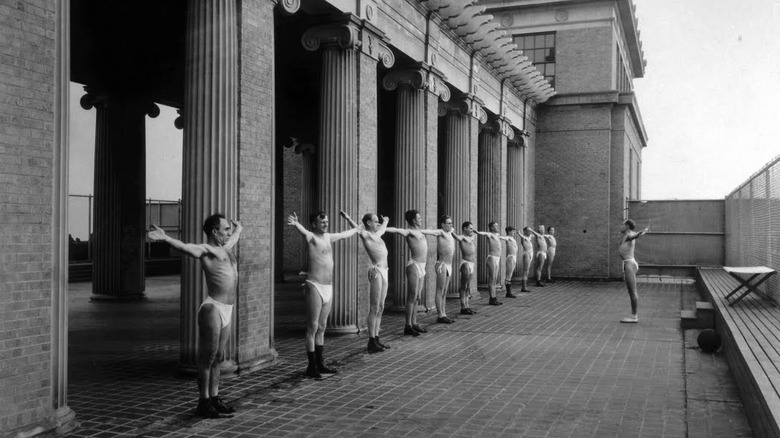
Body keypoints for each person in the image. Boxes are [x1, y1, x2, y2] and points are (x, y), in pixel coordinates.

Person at [148, 214, 242, 418]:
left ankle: (215, 398)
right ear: (214, 232)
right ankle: (204, 401)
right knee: (207, 358)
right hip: (213, 309)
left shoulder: (225, 248)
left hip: (228, 308)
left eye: (228, 229)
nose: (228, 232)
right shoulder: (206, 250)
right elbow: (185, 247)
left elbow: (234, 238)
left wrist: (239, 229)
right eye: (225, 229)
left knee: (218, 357)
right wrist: (166, 238)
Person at [287, 211, 359, 377]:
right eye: (322, 222)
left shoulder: (327, 237)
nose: (326, 224)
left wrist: (356, 229)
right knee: (312, 326)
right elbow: (303, 231)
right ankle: (311, 366)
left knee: (322, 326)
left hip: (328, 287)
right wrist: (297, 224)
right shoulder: (312, 237)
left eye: (326, 222)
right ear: (314, 224)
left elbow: (343, 234)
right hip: (315, 286)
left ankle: (320, 362)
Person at [340, 211, 392, 353]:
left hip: (385, 271)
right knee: (374, 306)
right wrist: (348, 218)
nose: (378, 224)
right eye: (376, 221)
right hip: (377, 271)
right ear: (369, 223)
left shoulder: (377, 234)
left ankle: (376, 337)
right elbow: (357, 228)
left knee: (381, 306)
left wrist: (386, 220)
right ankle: (371, 341)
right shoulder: (366, 235)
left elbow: (382, 228)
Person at [385, 209, 430, 337]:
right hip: (414, 265)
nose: (421, 219)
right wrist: (383, 227)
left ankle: (414, 323)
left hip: (423, 266)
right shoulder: (409, 231)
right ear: (413, 220)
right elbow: (395, 230)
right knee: (412, 295)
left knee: (417, 297)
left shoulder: (420, 231)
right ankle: (407, 326)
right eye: (419, 218)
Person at [424, 215, 469, 324]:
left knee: (444, 291)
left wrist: (452, 229)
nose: (450, 225)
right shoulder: (441, 232)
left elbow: (452, 230)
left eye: (451, 223)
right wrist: (417, 231)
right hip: (442, 264)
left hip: (449, 265)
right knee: (440, 290)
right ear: (443, 224)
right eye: (448, 223)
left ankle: (444, 313)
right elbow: (430, 231)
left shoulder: (450, 232)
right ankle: (440, 315)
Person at [618, 219, 649, 323]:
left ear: (627, 226)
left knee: (632, 291)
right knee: (631, 291)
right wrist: (640, 233)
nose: (621, 226)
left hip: (630, 264)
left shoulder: (629, 234)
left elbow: (634, 236)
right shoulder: (627, 234)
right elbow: (634, 235)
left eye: (622, 224)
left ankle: (634, 317)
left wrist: (640, 233)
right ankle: (633, 315)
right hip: (628, 263)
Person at [476, 221, 510, 306]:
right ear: (491, 227)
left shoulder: (497, 235)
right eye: (495, 226)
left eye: (497, 226)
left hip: (497, 258)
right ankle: (491, 298)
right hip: (492, 258)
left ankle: (494, 297)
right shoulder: (489, 234)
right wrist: (476, 232)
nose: (497, 227)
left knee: (495, 279)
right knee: (491, 279)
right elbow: (483, 233)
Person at [457, 221, 479, 314]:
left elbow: (474, 234)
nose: (472, 230)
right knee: (463, 286)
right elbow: (457, 237)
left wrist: (474, 231)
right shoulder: (462, 237)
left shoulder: (471, 237)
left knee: (468, 286)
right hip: (465, 263)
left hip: (471, 264)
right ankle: (463, 307)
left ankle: (467, 306)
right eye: (470, 228)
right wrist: (451, 232)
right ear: (465, 228)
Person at [503, 226, 519, 298]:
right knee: (508, 276)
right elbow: (503, 238)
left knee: (510, 275)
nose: (514, 232)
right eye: (512, 231)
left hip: (514, 257)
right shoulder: (508, 238)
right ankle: (508, 292)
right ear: (509, 231)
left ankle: (509, 292)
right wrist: (497, 236)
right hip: (511, 257)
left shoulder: (512, 238)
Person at [519, 227, 534, 292]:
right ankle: (523, 287)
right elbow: (522, 236)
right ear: (525, 231)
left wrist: (531, 231)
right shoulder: (523, 237)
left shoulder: (529, 236)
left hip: (530, 254)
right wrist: (519, 233)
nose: (530, 232)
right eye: (528, 231)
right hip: (527, 254)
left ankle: (525, 286)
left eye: (530, 231)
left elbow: (534, 234)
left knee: (527, 270)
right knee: (525, 270)